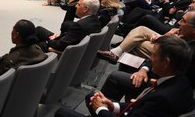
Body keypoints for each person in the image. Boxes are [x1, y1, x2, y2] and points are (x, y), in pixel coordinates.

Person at [56, 35, 195, 117]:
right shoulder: (179, 82)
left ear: (166, 62)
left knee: (61, 113)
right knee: (91, 96)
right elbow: (141, 106)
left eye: (153, 55)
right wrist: (112, 106)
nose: (150, 59)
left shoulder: (163, 99)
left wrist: (101, 109)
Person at [100, 11, 195, 104]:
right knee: (128, 58)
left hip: (161, 85)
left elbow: (170, 73)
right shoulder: (184, 39)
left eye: (183, 21)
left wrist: (169, 40)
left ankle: (107, 106)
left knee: (115, 77)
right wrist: (144, 69)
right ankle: (123, 106)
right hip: (155, 73)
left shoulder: (188, 50)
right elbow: (159, 56)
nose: (179, 23)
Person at [35, 0, 102, 53]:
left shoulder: (79, 26)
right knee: (39, 29)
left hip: (62, 52)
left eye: (78, 4)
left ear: (85, 9)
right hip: (69, 42)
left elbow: (60, 46)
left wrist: (51, 39)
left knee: (37, 42)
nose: (75, 6)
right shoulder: (96, 21)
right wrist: (59, 37)